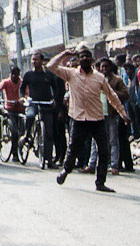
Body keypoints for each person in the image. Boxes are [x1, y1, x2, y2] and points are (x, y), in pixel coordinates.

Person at [48, 46, 127, 191]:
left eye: (87, 56)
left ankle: (100, 182)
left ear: (91, 60)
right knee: (73, 150)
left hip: (97, 119)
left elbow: (111, 96)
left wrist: (122, 113)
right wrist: (65, 54)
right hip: (79, 119)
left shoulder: (99, 77)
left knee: (103, 151)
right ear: (78, 60)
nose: (84, 58)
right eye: (81, 56)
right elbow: (51, 66)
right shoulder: (70, 74)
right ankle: (66, 170)